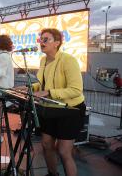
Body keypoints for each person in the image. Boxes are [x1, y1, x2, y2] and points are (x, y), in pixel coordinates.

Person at [32, 28, 86, 176]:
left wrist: (49, 93)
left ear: (57, 43)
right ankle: (52, 173)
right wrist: (29, 88)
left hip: (70, 110)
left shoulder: (68, 60)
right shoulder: (43, 60)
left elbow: (76, 89)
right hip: (49, 109)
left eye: (46, 39)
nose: (41, 42)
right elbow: (41, 84)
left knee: (63, 151)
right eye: (40, 39)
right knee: (46, 144)